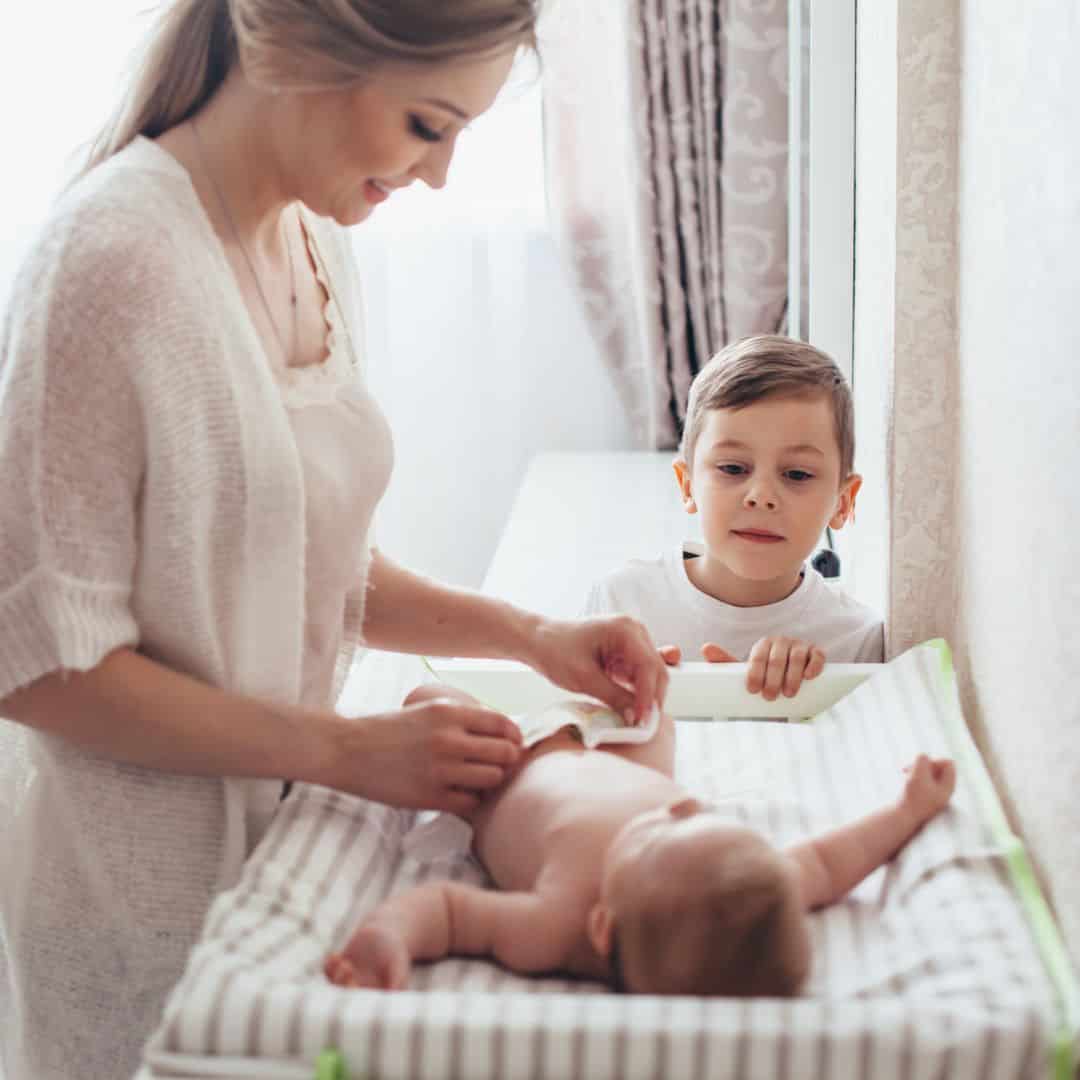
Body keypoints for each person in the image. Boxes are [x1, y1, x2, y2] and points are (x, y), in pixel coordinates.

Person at [0, 3, 670, 1078]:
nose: (443, 175)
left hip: (282, 860)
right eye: (426, 124)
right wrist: (345, 753)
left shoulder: (310, 237)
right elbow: (39, 667)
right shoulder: (110, 266)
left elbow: (295, 563)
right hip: (136, 907)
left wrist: (531, 635)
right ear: (306, 53)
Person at [325, 682, 956, 995]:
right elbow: (827, 859)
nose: (681, 811)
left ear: (602, 927)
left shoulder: (552, 924)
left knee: (431, 700)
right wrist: (907, 812)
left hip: (508, 770)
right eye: (698, 818)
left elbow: (448, 911)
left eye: (666, 828)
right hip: (631, 772)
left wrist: (389, 934)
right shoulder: (746, 888)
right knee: (655, 715)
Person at [585, 334, 885, 702]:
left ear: (843, 503)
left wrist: (800, 704)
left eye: (797, 475)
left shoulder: (857, 641)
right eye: (732, 468)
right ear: (688, 485)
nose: (761, 496)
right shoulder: (622, 604)